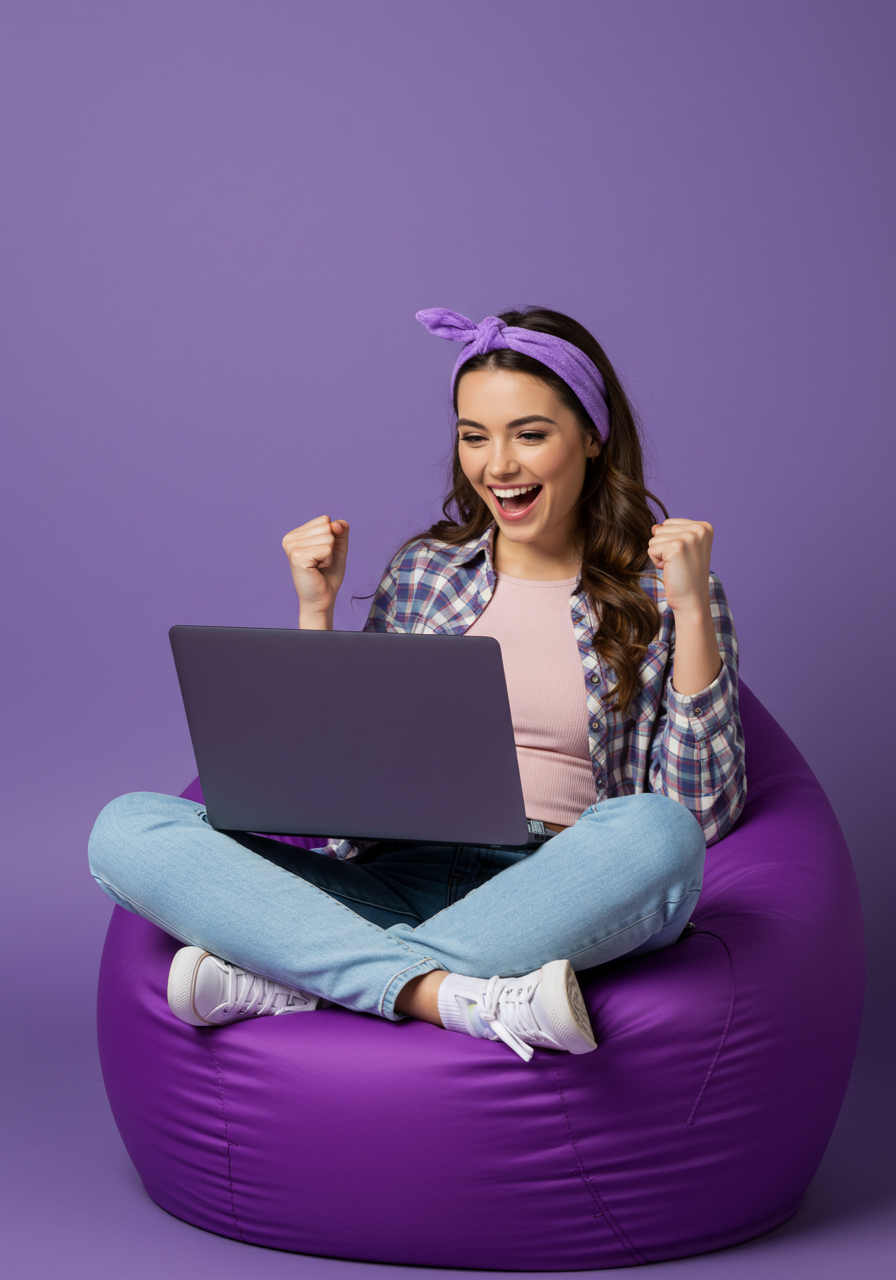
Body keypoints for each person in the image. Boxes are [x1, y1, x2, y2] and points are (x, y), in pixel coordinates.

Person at [89, 307, 745, 1063]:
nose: (497, 465)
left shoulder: (666, 589)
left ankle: (306, 983)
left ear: (591, 439)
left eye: (529, 434)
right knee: (127, 828)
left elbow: (702, 816)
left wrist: (692, 609)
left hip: (560, 889)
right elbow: (335, 803)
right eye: (474, 436)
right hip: (401, 876)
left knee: (656, 836)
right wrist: (317, 610)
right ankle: (448, 995)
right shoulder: (425, 574)